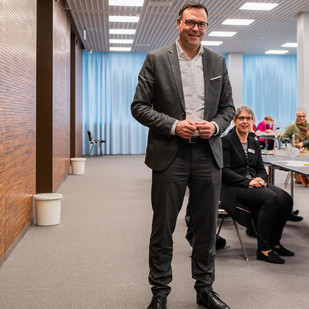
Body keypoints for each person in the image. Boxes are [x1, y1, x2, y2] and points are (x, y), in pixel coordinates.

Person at [130, 2, 234, 309]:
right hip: (169, 154)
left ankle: (205, 289)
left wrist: (215, 126)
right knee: (163, 227)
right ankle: (160, 291)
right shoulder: (156, 59)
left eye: (202, 24)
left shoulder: (217, 61)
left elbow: (228, 108)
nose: (196, 29)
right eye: (191, 22)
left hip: (207, 155)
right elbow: (139, 107)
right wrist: (175, 126)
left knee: (205, 226)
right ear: (178, 23)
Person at [220, 105, 294, 264]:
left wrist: (260, 179)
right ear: (235, 121)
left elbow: (260, 169)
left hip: (254, 183)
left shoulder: (254, 142)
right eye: (241, 118)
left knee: (286, 199)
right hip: (233, 187)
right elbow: (224, 171)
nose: (245, 121)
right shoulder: (226, 141)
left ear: (253, 121)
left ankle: (275, 242)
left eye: (248, 118)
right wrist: (248, 182)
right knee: (271, 199)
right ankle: (264, 249)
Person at [281, 108, 309, 187]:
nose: (302, 118)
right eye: (299, 116)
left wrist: (303, 143)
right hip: (296, 149)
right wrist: (292, 142)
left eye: (303, 116)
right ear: (296, 117)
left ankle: (308, 176)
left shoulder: (308, 125)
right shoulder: (292, 126)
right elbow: (282, 138)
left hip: (306, 148)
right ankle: (305, 176)